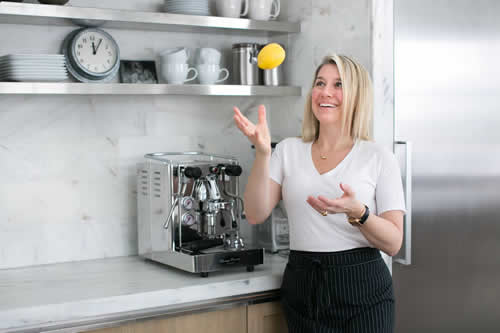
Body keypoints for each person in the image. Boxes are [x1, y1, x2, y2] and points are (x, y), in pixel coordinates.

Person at [233, 54, 406, 333]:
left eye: (338, 84)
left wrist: (358, 213)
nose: (326, 92)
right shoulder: (288, 150)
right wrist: (263, 154)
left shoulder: (378, 157)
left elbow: (394, 242)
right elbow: (254, 213)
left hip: (363, 289)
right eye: (320, 83)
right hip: (302, 287)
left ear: (356, 96)